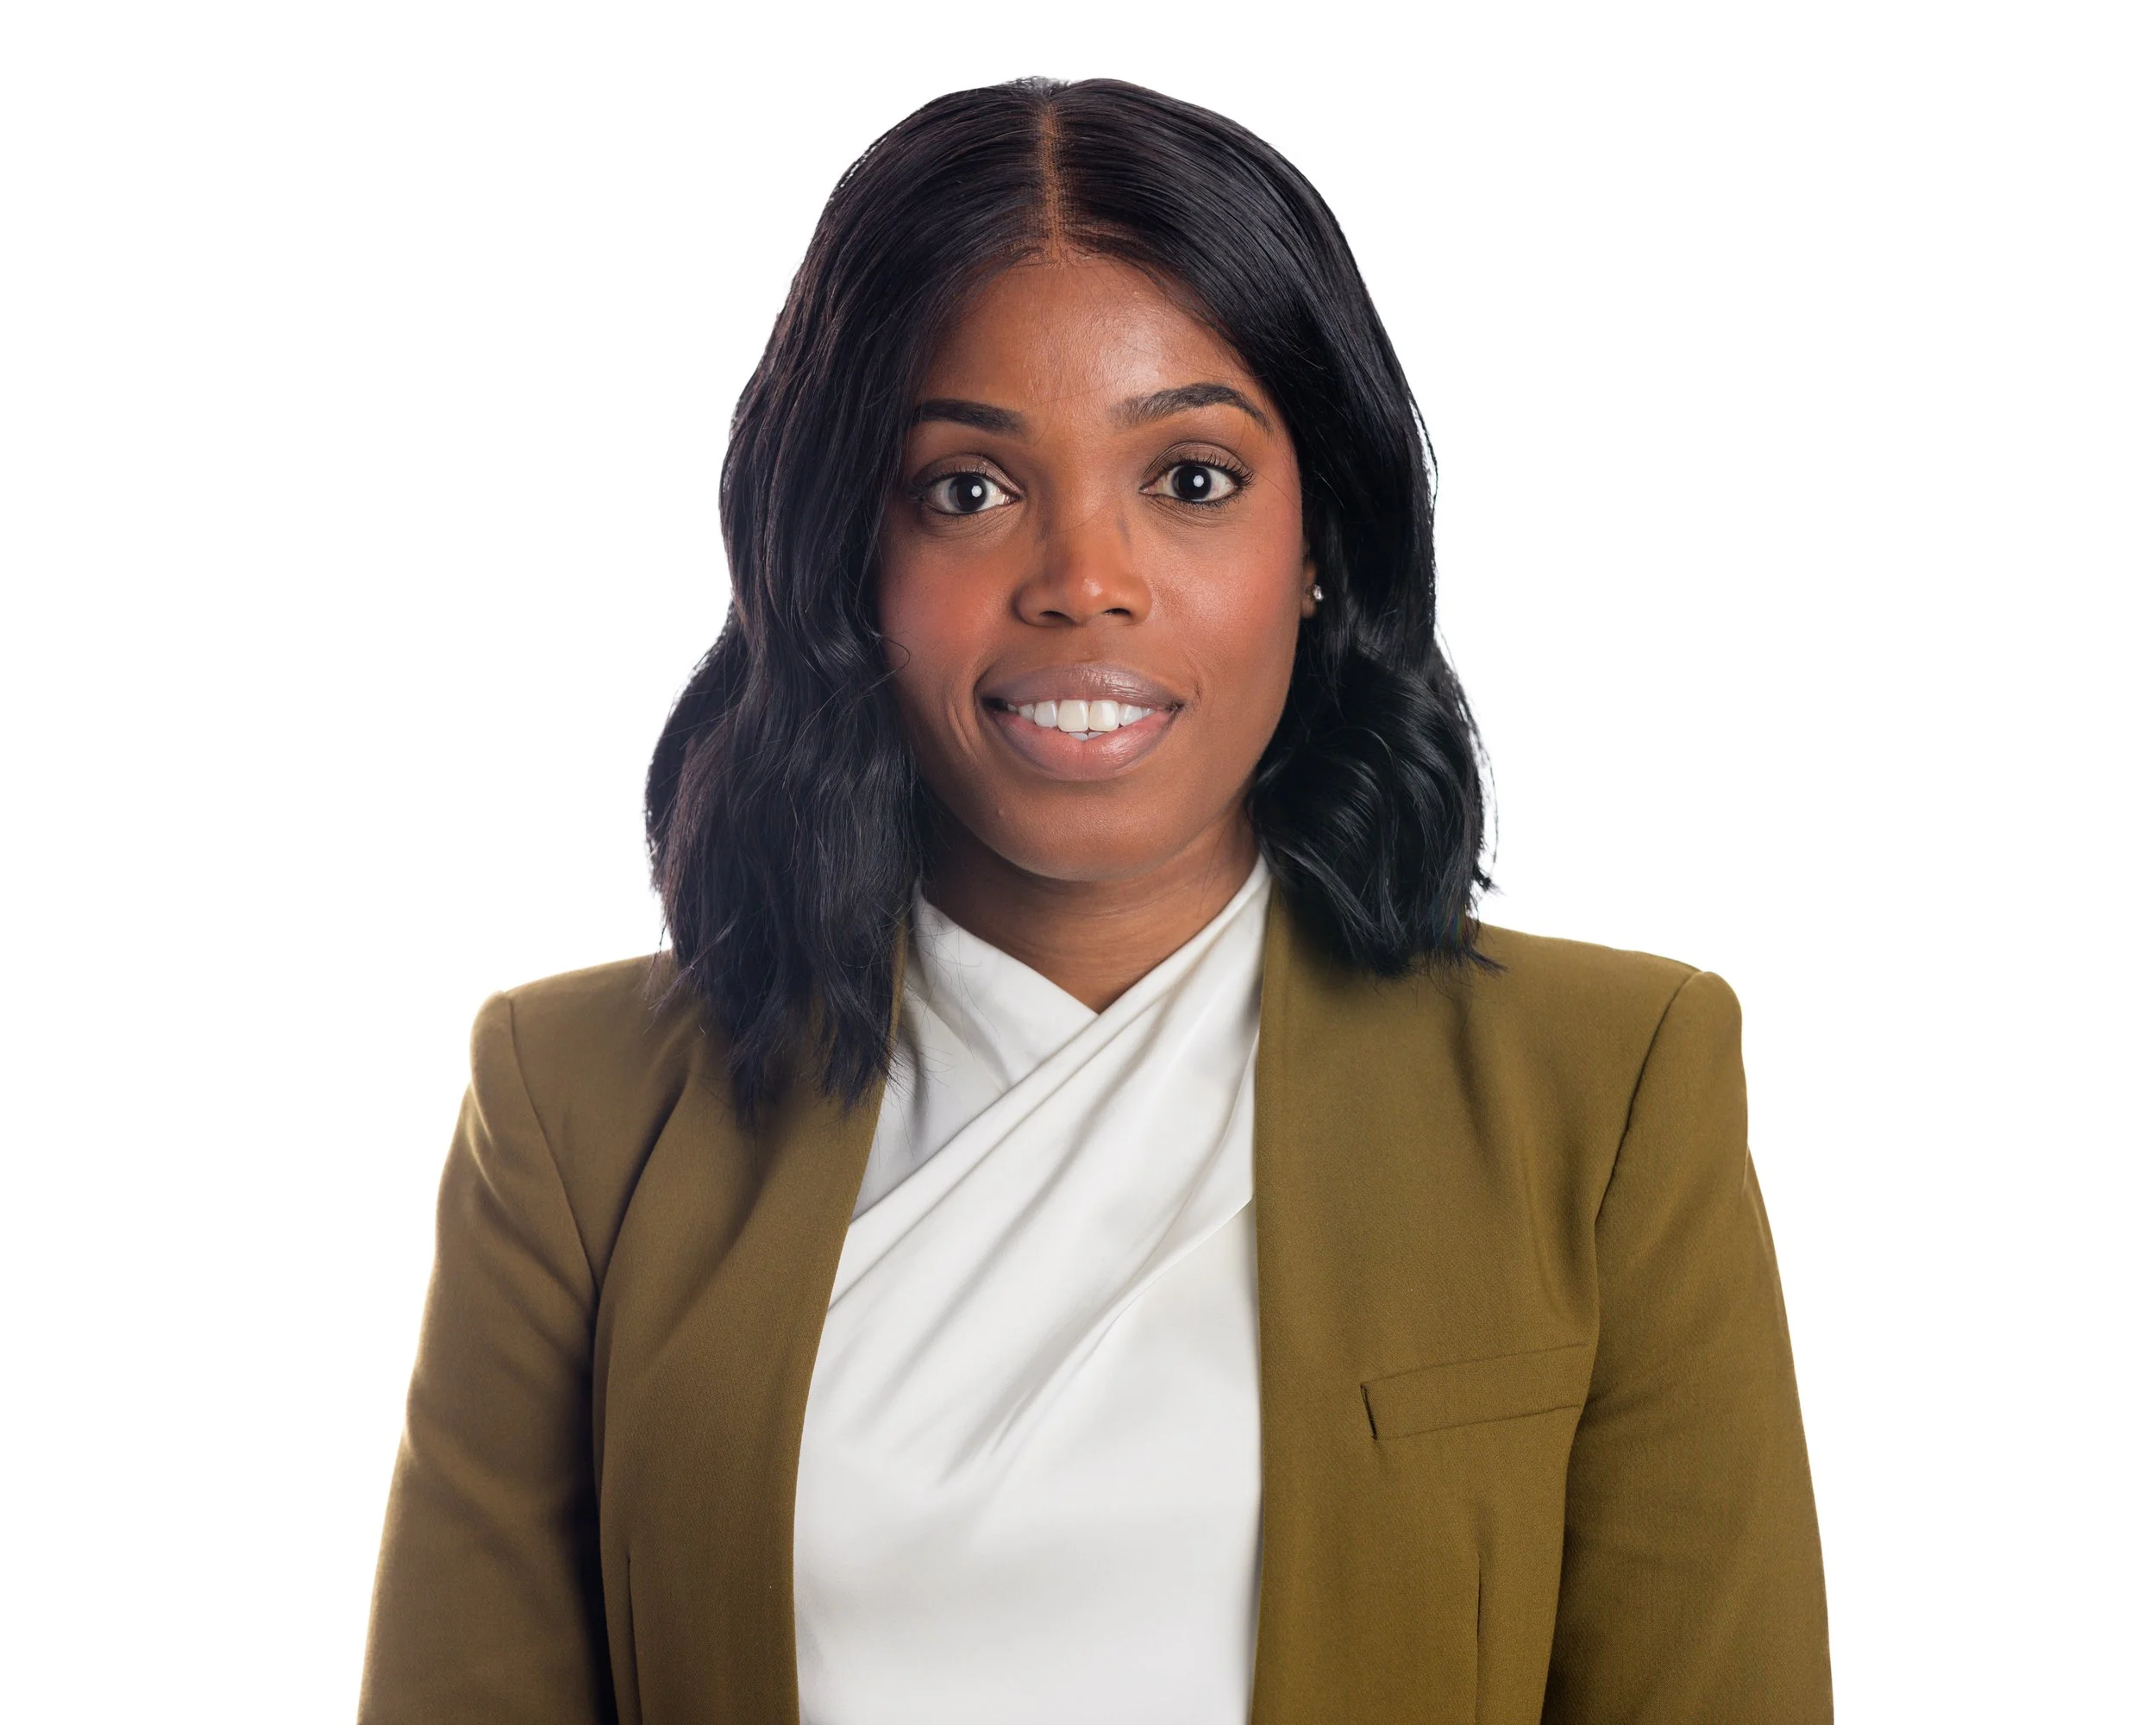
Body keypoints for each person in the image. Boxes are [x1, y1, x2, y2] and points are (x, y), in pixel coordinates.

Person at [360, 77, 1831, 1725]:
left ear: (1322, 539)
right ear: (845, 553)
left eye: (1189, 478)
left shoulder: (1608, 1088)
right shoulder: (575, 1114)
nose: (1084, 581)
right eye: (968, 488)